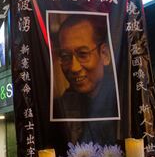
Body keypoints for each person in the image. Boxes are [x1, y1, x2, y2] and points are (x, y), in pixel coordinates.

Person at [51, 13, 119, 145]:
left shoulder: (123, 100)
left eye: (83, 54)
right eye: (65, 56)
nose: (74, 68)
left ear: (104, 54)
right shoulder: (62, 107)